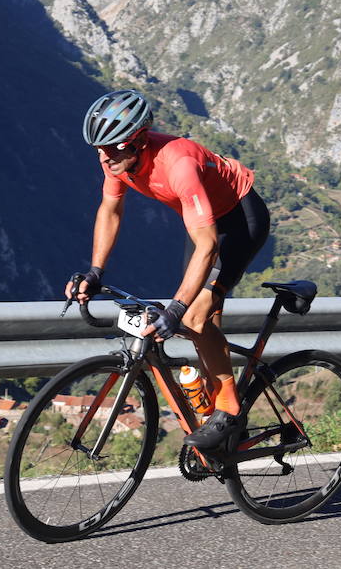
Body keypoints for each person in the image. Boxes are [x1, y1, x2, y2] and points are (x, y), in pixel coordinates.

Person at [67, 88, 270, 450]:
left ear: (139, 141)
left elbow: (209, 245)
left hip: (239, 221)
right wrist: (96, 271)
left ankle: (228, 412)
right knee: (203, 327)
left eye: (112, 147)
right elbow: (110, 211)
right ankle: (224, 427)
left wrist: (177, 308)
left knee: (194, 317)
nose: (104, 156)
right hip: (201, 223)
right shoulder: (114, 158)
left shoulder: (179, 165)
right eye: (99, 148)